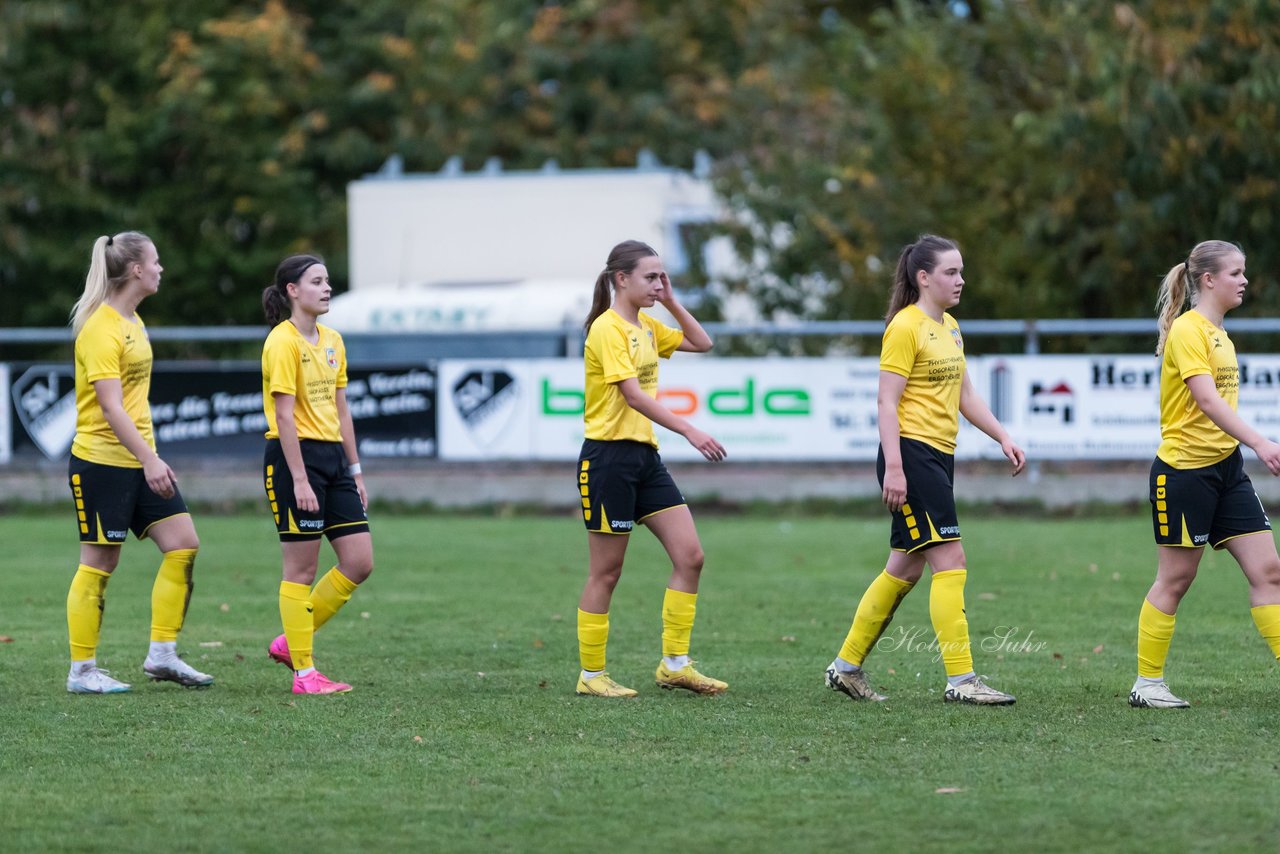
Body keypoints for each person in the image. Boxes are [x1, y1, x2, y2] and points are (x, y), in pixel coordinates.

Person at [825, 235, 1024, 705]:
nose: (960, 280)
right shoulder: (905, 327)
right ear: (923, 277)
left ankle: (846, 666)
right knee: (950, 561)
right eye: (951, 272)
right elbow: (886, 401)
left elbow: (967, 396)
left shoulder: (950, 327)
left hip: (937, 455)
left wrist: (1003, 436)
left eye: (960, 271)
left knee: (904, 567)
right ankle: (962, 680)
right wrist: (895, 467)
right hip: (911, 457)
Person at [1128, 241, 1280, 708]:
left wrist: (1244, 448)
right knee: (1176, 579)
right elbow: (1208, 402)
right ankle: (1147, 685)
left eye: (1244, 272)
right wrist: (1259, 441)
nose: (1244, 280)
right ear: (1208, 280)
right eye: (1236, 272)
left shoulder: (1220, 333)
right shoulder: (1188, 331)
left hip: (1226, 469)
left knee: (1269, 571)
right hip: (1184, 473)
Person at [573, 240, 728, 698]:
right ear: (621, 279)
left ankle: (675, 665)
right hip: (608, 461)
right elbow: (633, 396)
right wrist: (691, 431)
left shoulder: (646, 326)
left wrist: (674, 302)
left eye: (663, 278)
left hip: (644, 459)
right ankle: (591, 675)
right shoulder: (607, 329)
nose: (659, 285)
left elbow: (703, 342)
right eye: (651, 278)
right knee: (607, 572)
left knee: (691, 557)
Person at [64, 231, 213, 694]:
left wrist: (148, 457)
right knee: (100, 562)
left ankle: (162, 655)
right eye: (156, 261)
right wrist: (150, 459)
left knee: (183, 544)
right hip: (102, 463)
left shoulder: (135, 322)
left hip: (140, 459)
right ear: (135, 270)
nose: (160, 268)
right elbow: (110, 408)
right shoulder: (100, 328)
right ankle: (82, 673)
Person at [260, 254, 374, 695]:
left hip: (333, 462)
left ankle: (291, 641)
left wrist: (356, 470)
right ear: (292, 290)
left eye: (328, 281)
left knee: (360, 561)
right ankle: (305, 675)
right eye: (316, 281)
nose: (326, 289)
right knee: (301, 570)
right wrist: (300, 479)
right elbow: (284, 417)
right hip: (296, 460)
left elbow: (341, 409)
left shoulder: (333, 340)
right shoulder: (282, 342)